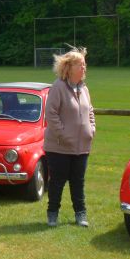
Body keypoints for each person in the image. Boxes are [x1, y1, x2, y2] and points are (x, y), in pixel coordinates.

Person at [42, 47, 95, 228]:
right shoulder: (58, 87)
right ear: (69, 67)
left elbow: (90, 112)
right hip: (59, 146)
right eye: (80, 65)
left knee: (78, 182)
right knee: (57, 182)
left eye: (84, 65)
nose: (84, 68)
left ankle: (81, 214)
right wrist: (64, 135)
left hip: (82, 147)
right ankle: (52, 214)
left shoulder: (84, 89)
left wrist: (91, 130)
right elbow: (51, 113)